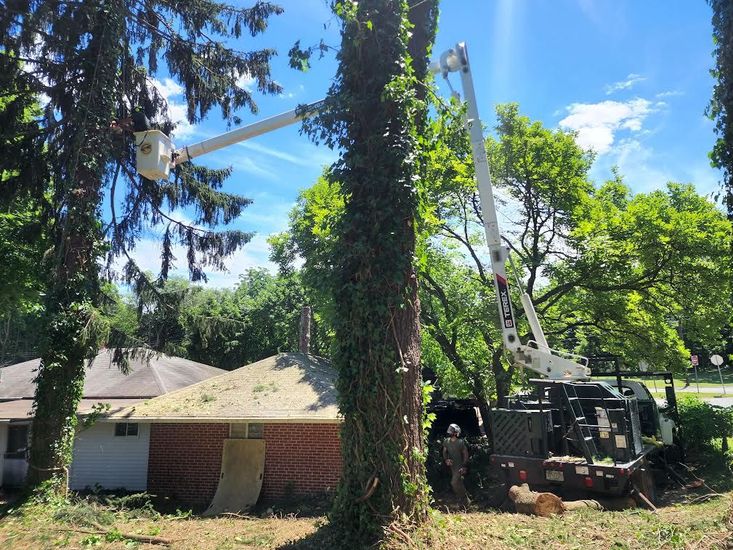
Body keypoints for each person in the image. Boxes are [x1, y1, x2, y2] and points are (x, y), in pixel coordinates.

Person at [442, 423, 469, 504]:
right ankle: (466, 501)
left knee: (453, 482)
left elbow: (465, 454)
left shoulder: (460, 442)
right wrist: (446, 460)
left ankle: (461, 498)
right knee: (459, 482)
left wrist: (464, 465)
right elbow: (444, 452)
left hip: (459, 466)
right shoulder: (446, 441)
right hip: (452, 466)